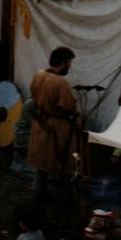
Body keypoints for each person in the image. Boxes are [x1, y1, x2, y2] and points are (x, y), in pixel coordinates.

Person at [27, 46, 78, 201]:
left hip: (40, 122)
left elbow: (33, 94)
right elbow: (68, 107)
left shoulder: (39, 74)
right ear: (63, 63)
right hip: (56, 126)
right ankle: (66, 194)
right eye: (69, 63)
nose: (70, 66)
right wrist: (76, 112)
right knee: (65, 159)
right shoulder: (60, 82)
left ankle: (38, 190)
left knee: (42, 159)